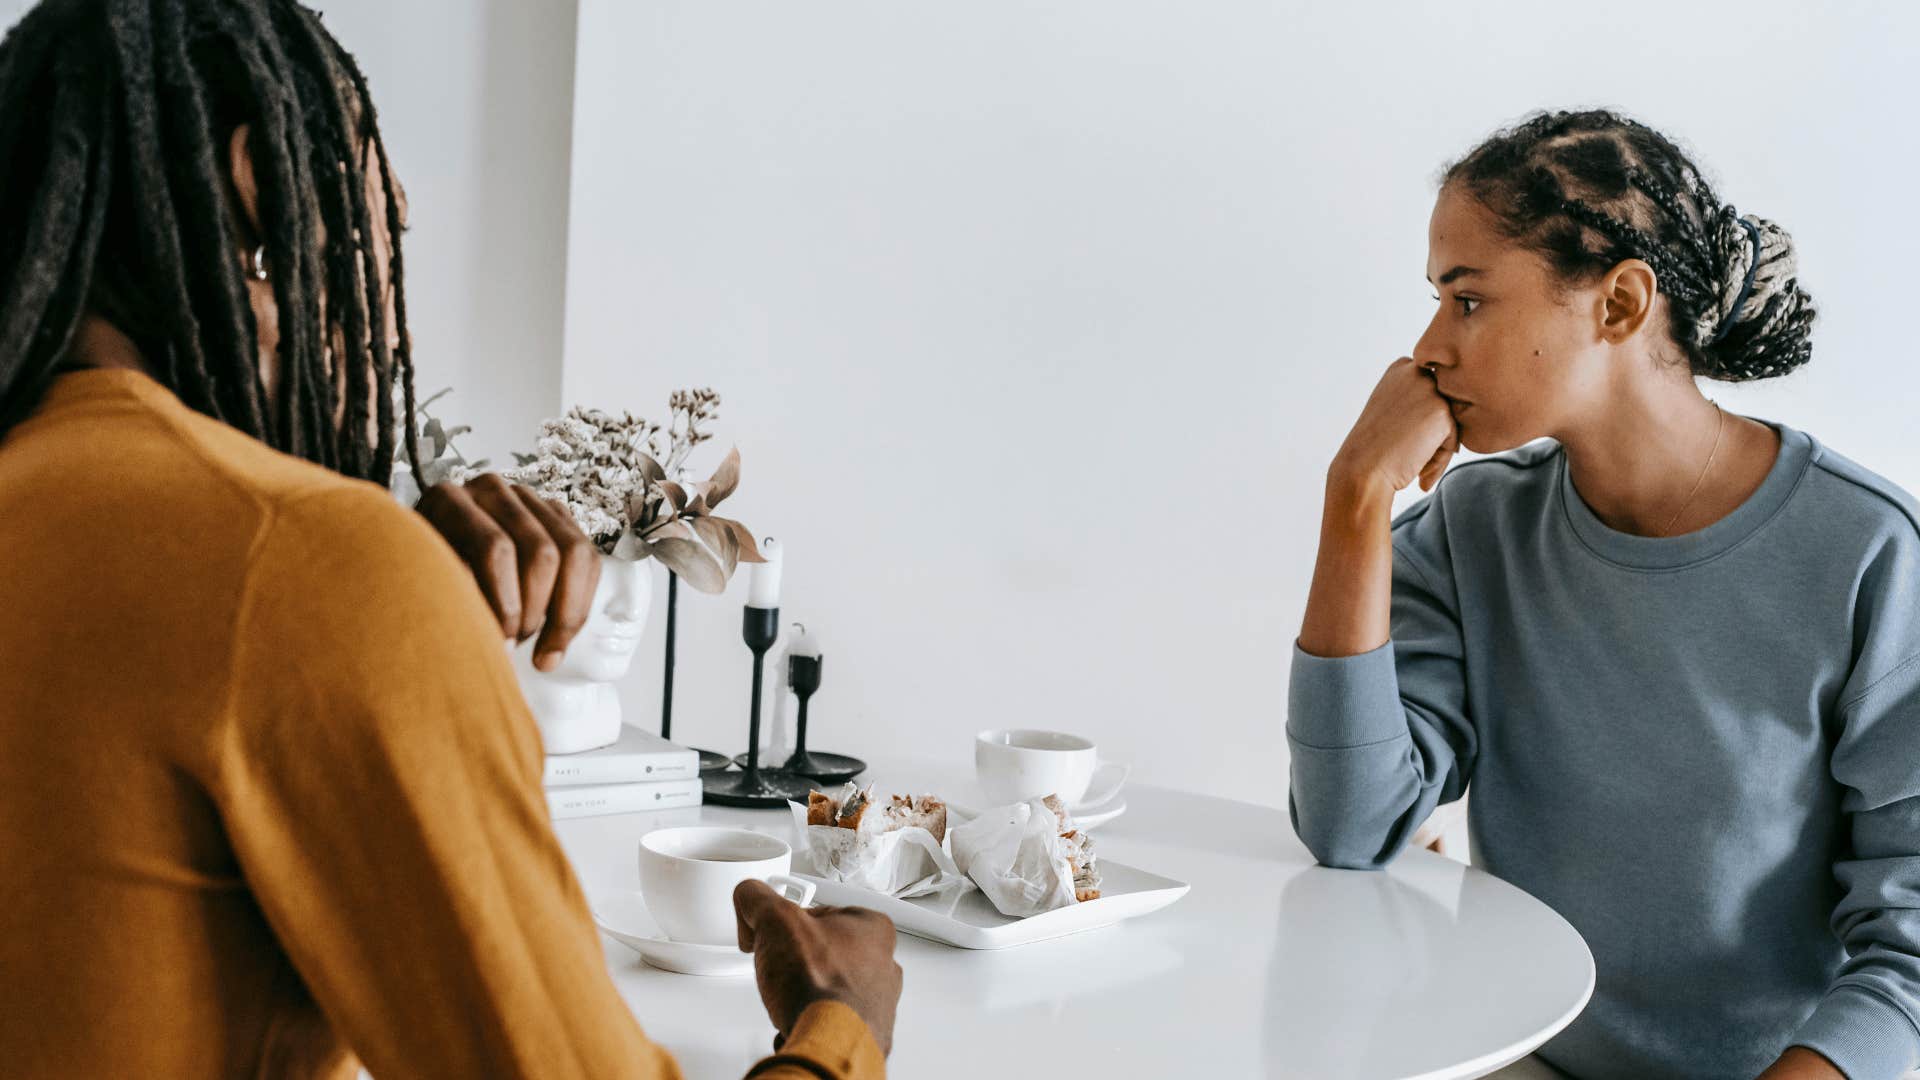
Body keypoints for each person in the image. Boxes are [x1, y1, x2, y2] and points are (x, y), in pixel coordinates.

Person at [0, 1, 901, 1077]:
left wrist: (406, 625)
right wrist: (840, 1025)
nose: (384, 306)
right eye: (386, 230)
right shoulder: (298, 570)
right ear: (257, 196)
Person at [1288, 110, 1919, 1080]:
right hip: (1518, 1056)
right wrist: (1355, 499)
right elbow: (1350, 827)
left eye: (1468, 302)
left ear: (1620, 305)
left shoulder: (1868, 552)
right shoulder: (1471, 532)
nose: (1427, 351)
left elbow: (1909, 956)